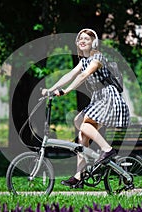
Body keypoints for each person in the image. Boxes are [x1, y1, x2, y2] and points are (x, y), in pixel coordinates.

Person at [42, 28, 130, 188]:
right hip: (99, 98)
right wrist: (50, 89)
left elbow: (83, 76)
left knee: (83, 124)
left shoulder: (98, 57)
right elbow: (69, 75)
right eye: (80, 39)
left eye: (86, 39)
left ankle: (107, 149)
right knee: (81, 131)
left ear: (93, 43)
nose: (82, 41)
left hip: (109, 97)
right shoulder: (83, 61)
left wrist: (66, 91)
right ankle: (79, 175)